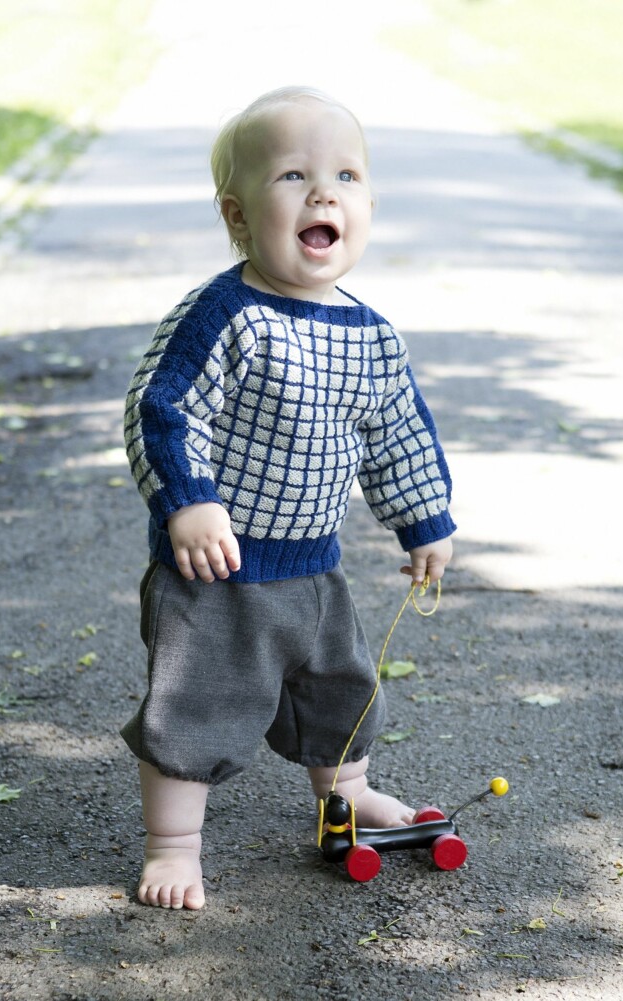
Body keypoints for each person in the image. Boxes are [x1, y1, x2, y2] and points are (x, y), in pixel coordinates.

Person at [121, 86, 456, 910]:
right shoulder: (226, 314)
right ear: (237, 215)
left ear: (368, 205)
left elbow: (398, 432)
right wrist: (187, 501)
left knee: (338, 686)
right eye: (294, 176)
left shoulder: (371, 335)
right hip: (218, 574)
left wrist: (424, 518)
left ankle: (346, 792)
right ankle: (173, 843)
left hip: (314, 568)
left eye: (345, 175)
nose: (323, 193)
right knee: (196, 705)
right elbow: (161, 407)